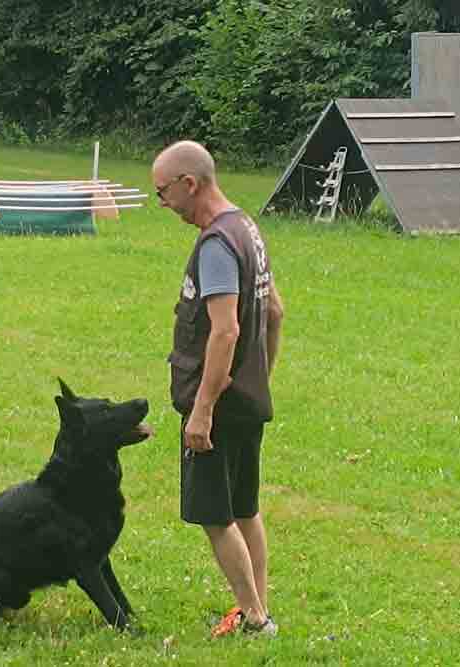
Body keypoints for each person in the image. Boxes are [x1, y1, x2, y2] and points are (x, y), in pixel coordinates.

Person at [151, 141, 284, 638]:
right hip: (248, 399)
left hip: (220, 406)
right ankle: (258, 609)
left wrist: (202, 410)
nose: (163, 204)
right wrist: (260, 375)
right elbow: (274, 312)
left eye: (163, 192)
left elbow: (225, 331)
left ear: (190, 184)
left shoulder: (216, 246)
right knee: (245, 506)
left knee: (215, 515)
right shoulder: (245, 227)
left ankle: (255, 618)